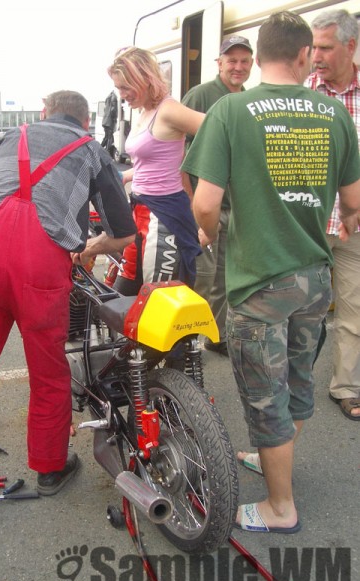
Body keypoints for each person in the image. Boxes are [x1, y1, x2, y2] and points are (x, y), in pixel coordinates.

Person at [183, 11, 360, 533]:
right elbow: (353, 202)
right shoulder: (335, 114)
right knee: (299, 380)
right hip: (314, 275)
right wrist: (347, 223)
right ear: (305, 56)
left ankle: (280, 507)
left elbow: (205, 204)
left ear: (257, 58)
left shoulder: (232, 111)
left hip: (259, 281)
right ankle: (272, 458)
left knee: (264, 395)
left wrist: (212, 233)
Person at [0, 90, 136, 518]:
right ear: (85, 120)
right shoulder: (92, 151)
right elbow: (125, 235)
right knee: (48, 369)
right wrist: (88, 244)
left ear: (44, 113)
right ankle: (51, 468)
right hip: (41, 262)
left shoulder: (9, 136)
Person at [108, 46, 205, 296]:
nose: (122, 95)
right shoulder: (144, 111)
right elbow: (153, 159)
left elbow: (218, 130)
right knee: (125, 290)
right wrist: (126, 176)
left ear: (144, 79)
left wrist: (207, 181)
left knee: (159, 299)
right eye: (118, 88)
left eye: (125, 87)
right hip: (138, 209)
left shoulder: (169, 109)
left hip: (164, 215)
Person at [182, 36, 254, 357]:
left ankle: (216, 334)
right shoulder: (201, 95)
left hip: (236, 207)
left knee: (226, 277)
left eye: (244, 60)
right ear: (219, 63)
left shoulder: (250, 100)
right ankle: (186, 343)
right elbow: (177, 153)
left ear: (252, 64)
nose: (238, 66)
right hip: (204, 206)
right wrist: (189, 203)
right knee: (202, 276)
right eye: (232, 60)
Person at [305, 9, 360, 421]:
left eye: (325, 47)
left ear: (351, 46)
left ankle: (346, 386)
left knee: (353, 309)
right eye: (314, 47)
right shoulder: (303, 92)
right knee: (297, 307)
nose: (316, 55)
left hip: (354, 225)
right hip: (307, 223)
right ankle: (289, 383)